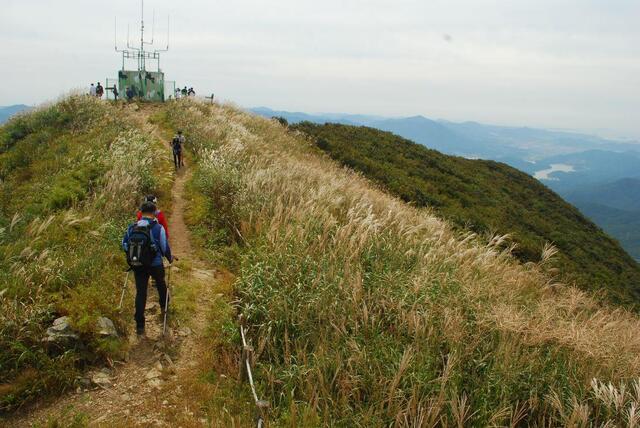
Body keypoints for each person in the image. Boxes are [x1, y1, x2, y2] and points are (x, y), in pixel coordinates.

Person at [122, 201, 176, 335]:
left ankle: (140, 325)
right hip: (155, 264)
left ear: (141, 212)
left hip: (138, 264)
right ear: (154, 212)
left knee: (141, 293)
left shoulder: (131, 227)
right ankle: (164, 307)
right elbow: (164, 247)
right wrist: (170, 258)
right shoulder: (158, 228)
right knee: (161, 284)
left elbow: (125, 245)